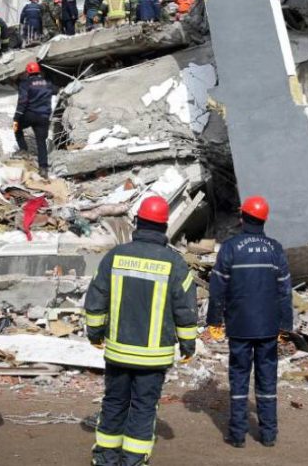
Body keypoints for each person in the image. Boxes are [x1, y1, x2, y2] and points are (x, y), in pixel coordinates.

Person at [84, 197, 198, 466]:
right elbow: (186, 309)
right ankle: (133, 459)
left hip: (119, 351)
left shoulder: (116, 256)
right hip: (153, 357)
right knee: (144, 407)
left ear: (138, 223)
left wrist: (95, 333)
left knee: (114, 403)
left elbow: (96, 297)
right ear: (164, 227)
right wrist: (188, 345)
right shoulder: (175, 263)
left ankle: (105, 458)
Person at [207, 196, 292, 448]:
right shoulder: (275, 249)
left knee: (239, 378)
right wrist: (285, 326)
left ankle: (237, 435)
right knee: (267, 380)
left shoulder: (231, 247)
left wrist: (214, 320)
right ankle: (268, 434)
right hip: (268, 328)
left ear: (242, 217)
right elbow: (285, 291)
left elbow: (217, 289)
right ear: (264, 219)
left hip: (239, 327)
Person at [14, 61, 54, 179]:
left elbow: (22, 101)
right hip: (44, 117)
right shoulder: (47, 83)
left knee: (16, 127)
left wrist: (17, 116)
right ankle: (43, 168)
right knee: (41, 143)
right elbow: (56, 91)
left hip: (30, 115)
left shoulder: (25, 83)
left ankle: (23, 149)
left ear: (28, 72)